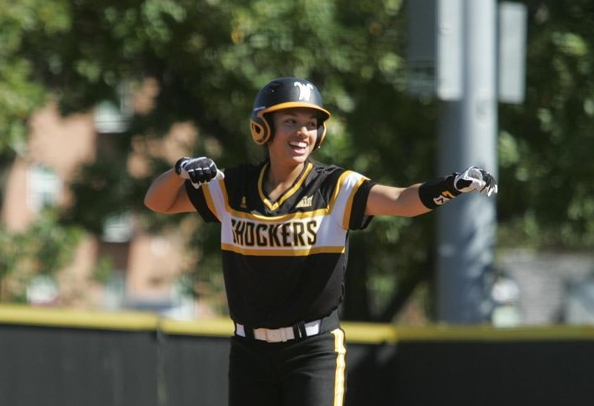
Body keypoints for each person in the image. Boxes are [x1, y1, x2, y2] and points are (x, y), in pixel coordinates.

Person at [144, 77, 498, 406]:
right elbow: (156, 203)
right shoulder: (232, 187)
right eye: (291, 122)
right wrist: (180, 170)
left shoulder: (335, 187)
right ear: (262, 127)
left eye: (311, 124)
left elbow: (402, 201)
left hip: (312, 349)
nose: (303, 132)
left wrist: (452, 184)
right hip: (249, 350)